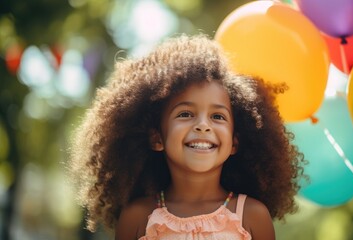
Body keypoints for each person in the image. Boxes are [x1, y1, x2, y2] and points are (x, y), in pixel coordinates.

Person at [69, 34, 304, 240]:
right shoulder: (137, 218)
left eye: (218, 117)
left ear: (234, 142)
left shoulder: (252, 216)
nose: (203, 125)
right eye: (185, 113)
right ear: (156, 138)